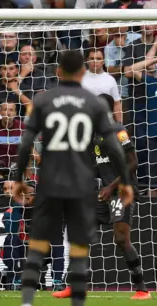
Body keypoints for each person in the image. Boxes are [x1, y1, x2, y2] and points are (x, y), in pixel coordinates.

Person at [12, 50, 134, 306]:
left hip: (50, 180)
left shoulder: (44, 100)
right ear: (82, 72)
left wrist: (20, 178)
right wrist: (124, 182)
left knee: (39, 241)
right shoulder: (93, 104)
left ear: (58, 72)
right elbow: (114, 149)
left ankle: (26, 301)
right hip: (80, 182)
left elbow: (26, 144)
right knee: (78, 243)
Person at [52, 94, 150, 300]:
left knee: (121, 239)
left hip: (122, 190)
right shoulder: (92, 136)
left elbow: (132, 163)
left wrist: (111, 186)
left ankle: (142, 289)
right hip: (105, 191)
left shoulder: (119, 131)